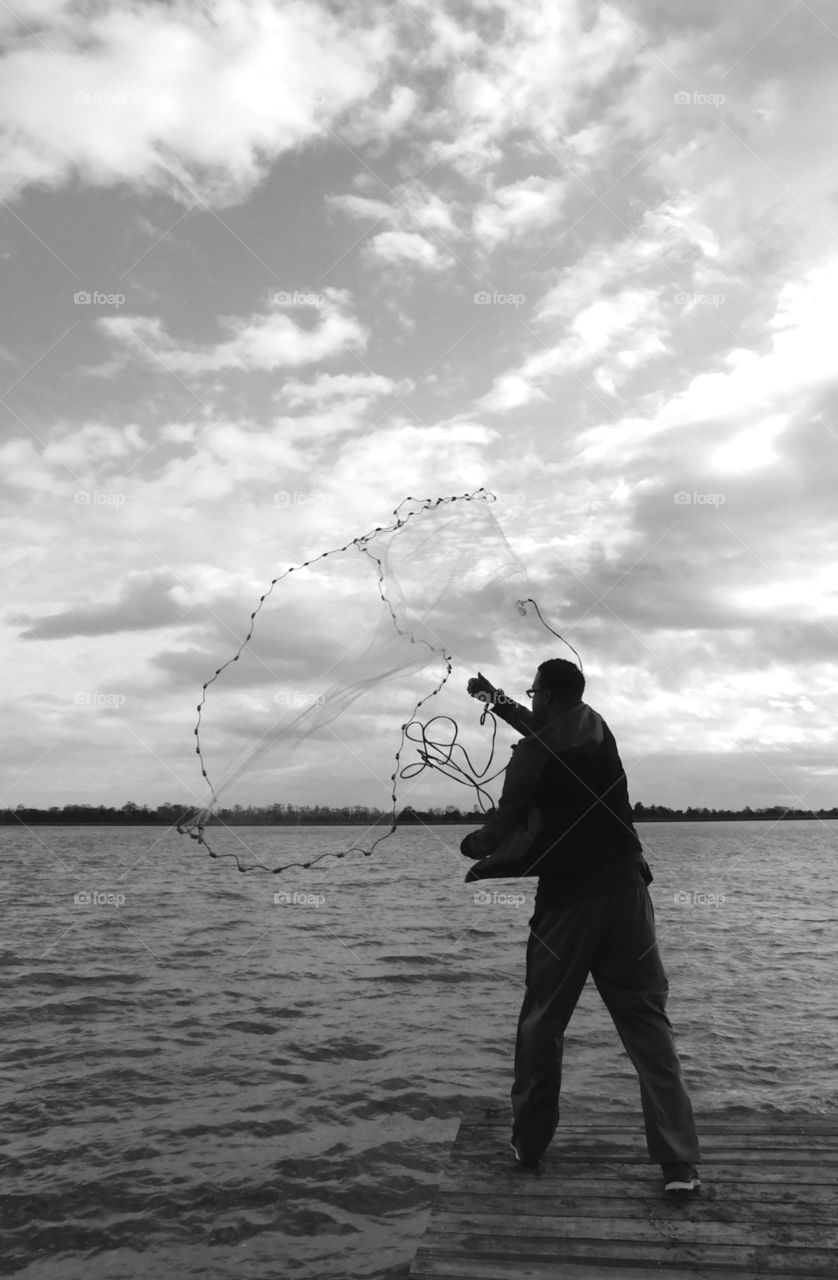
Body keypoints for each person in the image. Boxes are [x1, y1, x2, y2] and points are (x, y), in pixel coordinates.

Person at [463, 658, 701, 1194]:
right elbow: (546, 728)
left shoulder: (531, 757)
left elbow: (501, 828)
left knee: (542, 1024)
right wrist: (495, 699)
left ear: (545, 695)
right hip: (628, 893)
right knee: (647, 1024)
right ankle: (679, 1165)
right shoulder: (597, 727)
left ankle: (529, 1145)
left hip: (569, 903)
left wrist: (471, 846)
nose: (534, 701)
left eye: (533, 693)